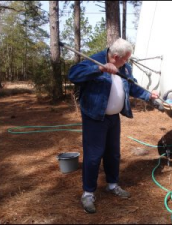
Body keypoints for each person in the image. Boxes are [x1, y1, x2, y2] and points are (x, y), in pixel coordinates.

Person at [68, 38, 162, 213]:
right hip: (95, 117)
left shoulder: (124, 67)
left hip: (113, 118)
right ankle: (88, 193)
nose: (127, 62)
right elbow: (73, 74)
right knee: (93, 156)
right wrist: (100, 68)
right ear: (116, 56)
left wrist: (149, 95)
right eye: (125, 59)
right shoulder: (95, 60)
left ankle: (112, 185)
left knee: (113, 154)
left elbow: (133, 86)